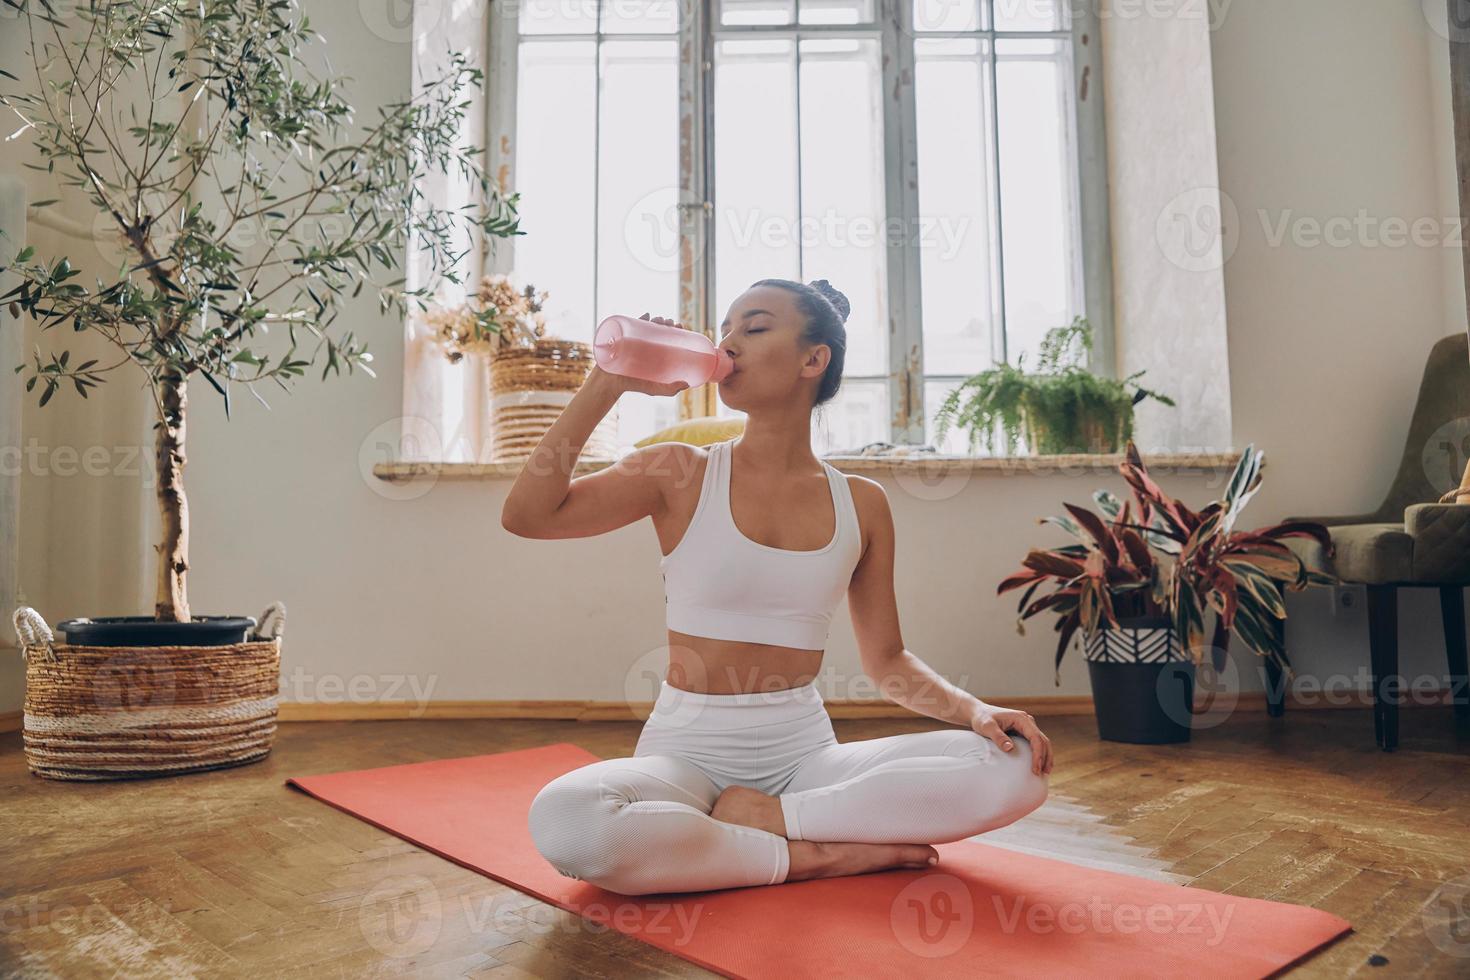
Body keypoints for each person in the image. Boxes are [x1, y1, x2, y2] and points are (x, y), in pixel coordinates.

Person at [502, 279, 1052, 896]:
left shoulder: (861, 504)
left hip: (805, 758)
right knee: (569, 820)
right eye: (726, 328)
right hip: (687, 755)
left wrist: (978, 713)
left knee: (1017, 770)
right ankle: (816, 856)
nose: (728, 342)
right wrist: (608, 382)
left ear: (813, 360)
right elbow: (529, 515)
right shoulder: (678, 471)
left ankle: (773, 824)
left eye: (754, 327)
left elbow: (888, 660)